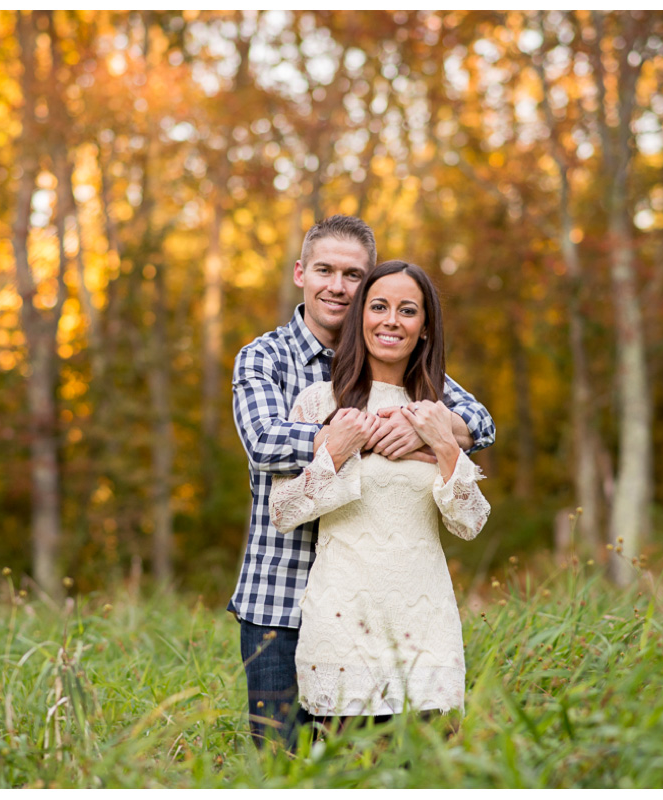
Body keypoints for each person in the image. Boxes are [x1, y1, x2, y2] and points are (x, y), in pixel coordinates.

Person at [229, 215, 495, 748]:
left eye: (354, 275)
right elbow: (263, 444)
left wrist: (427, 440)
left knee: (397, 763)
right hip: (281, 592)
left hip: (387, 603)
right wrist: (357, 435)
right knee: (286, 764)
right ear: (302, 273)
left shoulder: (402, 360)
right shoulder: (266, 357)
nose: (338, 285)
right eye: (325, 270)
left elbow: (480, 424)